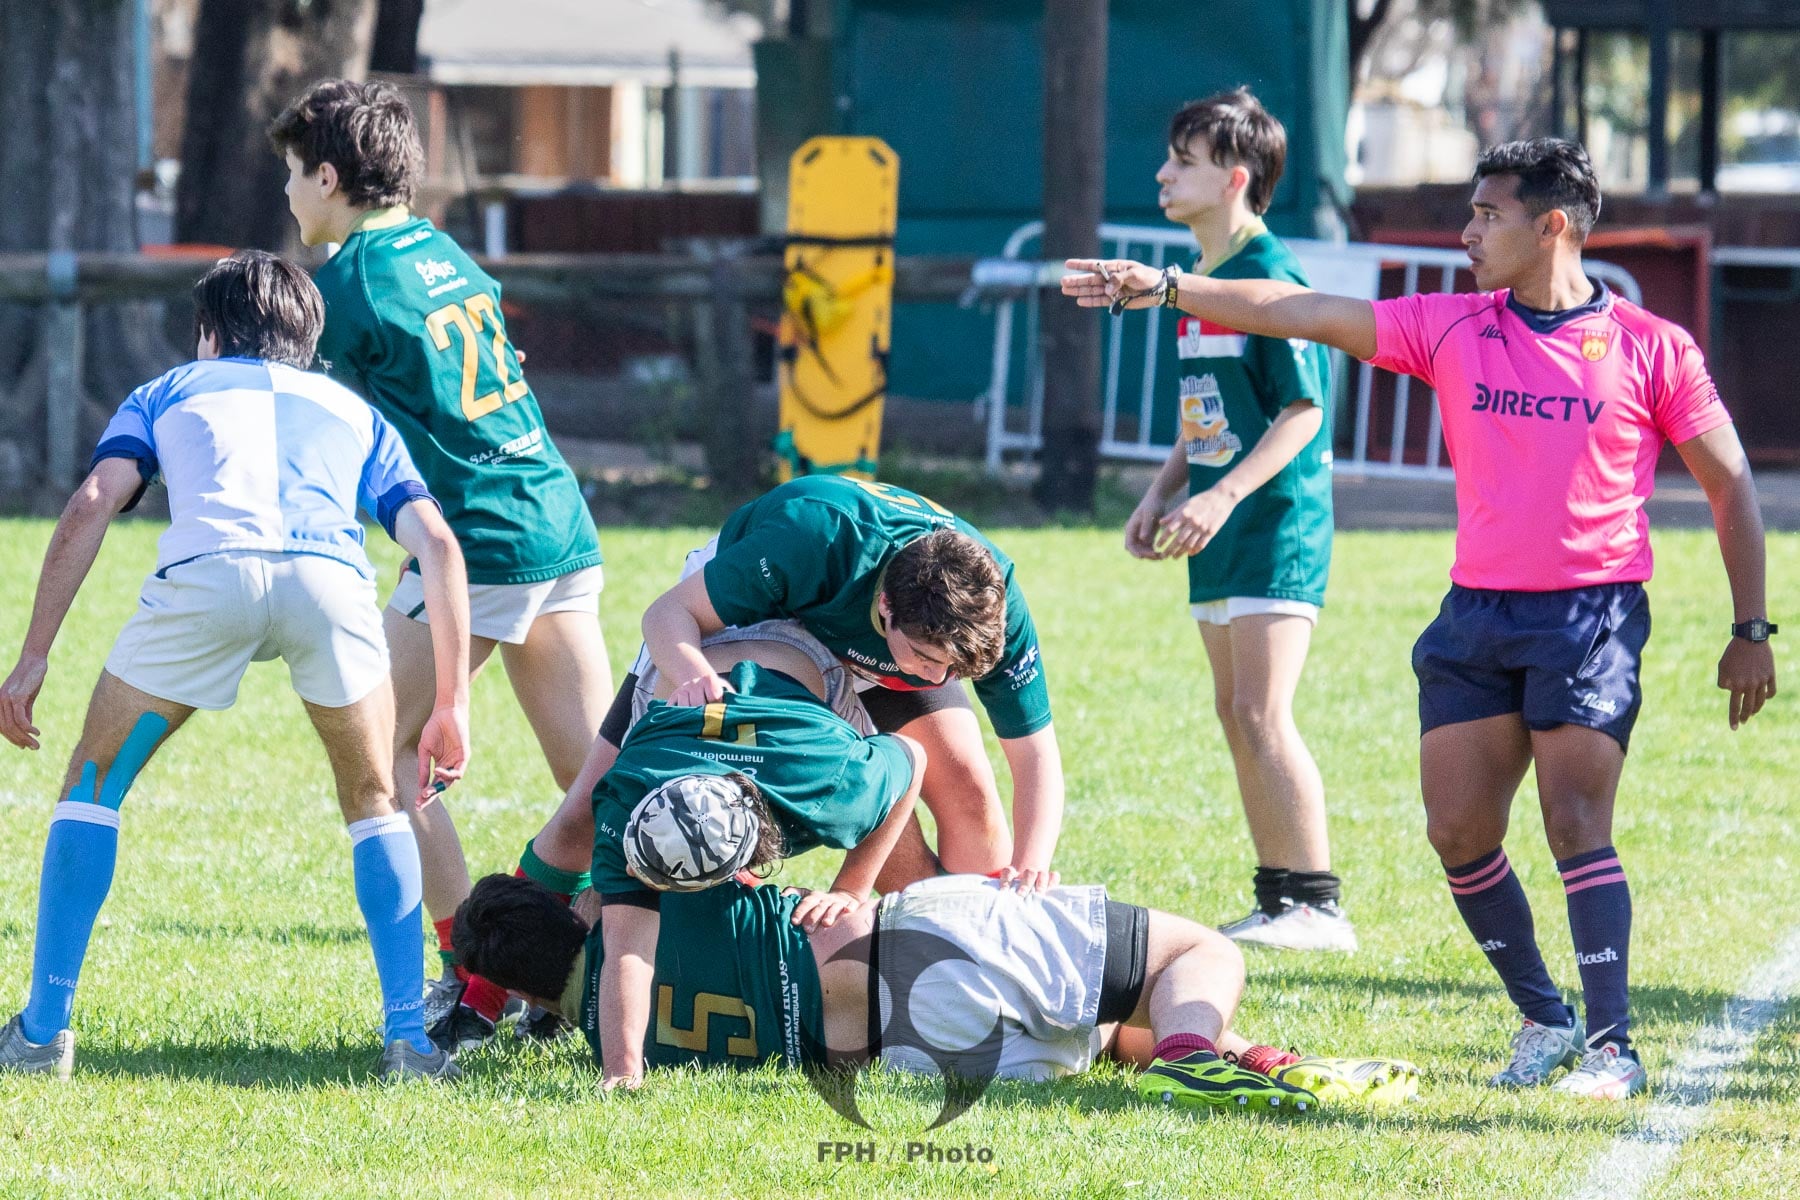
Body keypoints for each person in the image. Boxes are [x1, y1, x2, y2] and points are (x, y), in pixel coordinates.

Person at [1062, 137, 1778, 1099]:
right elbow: (1301, 312)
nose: (1468, 231)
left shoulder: (1654, 346)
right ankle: (1545, 1019)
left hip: (1592, 614)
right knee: (1457, 832)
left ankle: (1613, 1046)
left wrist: (1751, 629)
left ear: (1551, 224)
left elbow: (1731, 486)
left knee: (1575, 821)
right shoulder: (1452, 325)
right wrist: (1169, 288)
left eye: (1488, 215)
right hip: (1476, 615)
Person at [0, 251, 472, 1081]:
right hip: (328, 584)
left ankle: (42, 1033)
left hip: (207, 576)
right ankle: (409, 1039)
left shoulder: (169, 389)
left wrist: (34, 656)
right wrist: (453, 700)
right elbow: (435, 540)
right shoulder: (352, 410)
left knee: (93, 786)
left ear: (209, 332)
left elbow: (92, 501)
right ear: (306, 338)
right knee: (373, 802)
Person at [269, 79, 613, 1044]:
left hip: (480, 541)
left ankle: (481, 981)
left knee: (381, 759)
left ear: (330, 176)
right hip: (555, 516)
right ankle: (593, 970)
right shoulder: (445, 252)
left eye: (293, 176)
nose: (291, 197)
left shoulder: (344, 285)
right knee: (598, 785)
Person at [520, 475, 1064, 919]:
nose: (938, 674)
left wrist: (1032, 864)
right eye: (928, 657)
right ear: (887, 606)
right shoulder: (813, 540)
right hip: (764, 615)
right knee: (593, 806)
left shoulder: (990, 604)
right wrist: (695, 676)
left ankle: (974, 955)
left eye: (952, 667)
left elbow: (1036, 755)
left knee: (968, 788)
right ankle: (483, 989)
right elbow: (668, 614)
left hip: (870, 640)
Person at [453, 870, 1420, 1111]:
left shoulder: (612, 1039)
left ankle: (1246, 1060)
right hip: (919, 940)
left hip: (917, 1051)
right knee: (1195, 956)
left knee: (1106, 1034)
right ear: (572, 912)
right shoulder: (638, 897)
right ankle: (1198, 1051)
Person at [1123, 88, 1349, 951]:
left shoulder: (1271, 282)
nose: (1163, 173)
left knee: (1263, 709)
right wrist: (1163, 489)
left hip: (1271, 523)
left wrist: (1220, 496)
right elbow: (1209, 412)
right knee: (1234, 709)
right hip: (1216, 525)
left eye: (1184, 160)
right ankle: (1279, 896)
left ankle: (1319, 904)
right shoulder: (1202, 286)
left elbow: (1302, 412)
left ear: (1235, 179)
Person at [582, 635, 927, 1089]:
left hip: (811, 654)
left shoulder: (827, 783)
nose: (632, 872)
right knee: (575, 831)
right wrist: (621, 1073)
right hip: (698, 664)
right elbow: (627, 949)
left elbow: (913, 756)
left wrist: (851, 888)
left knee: (962, 816)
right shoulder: (625, 797)